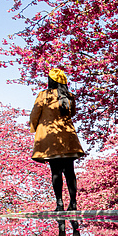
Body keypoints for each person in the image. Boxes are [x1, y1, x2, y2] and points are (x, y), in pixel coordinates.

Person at [30, 68, 86, 211]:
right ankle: (73, 203)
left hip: (51, 140)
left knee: (55, 171)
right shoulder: (69, 96)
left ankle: (59, 203)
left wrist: (34, 127)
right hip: (68, 138)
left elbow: (35, 114)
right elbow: (72, 113)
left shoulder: (43, 95)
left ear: (50, 80)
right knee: (69, 171)